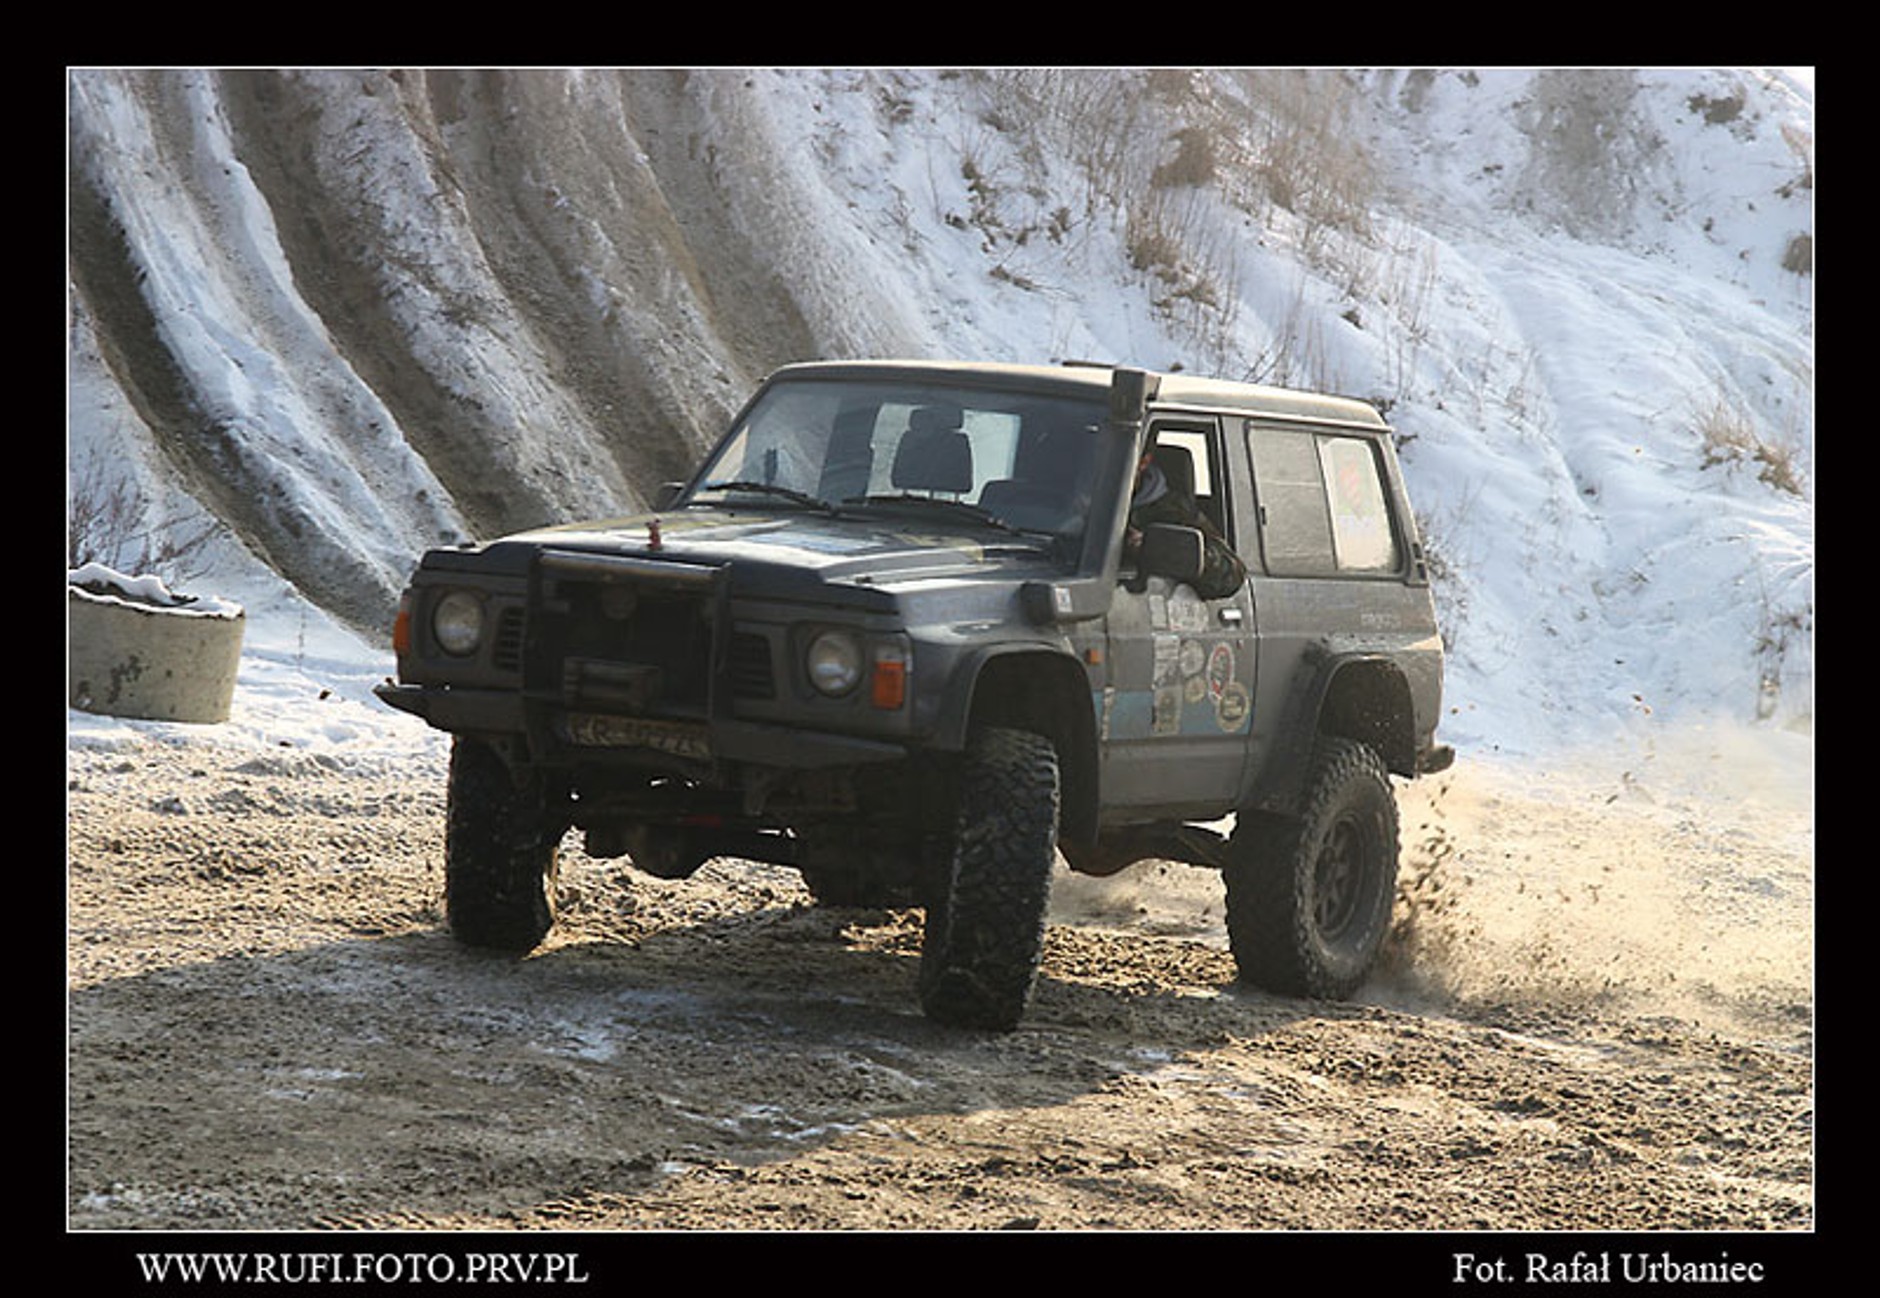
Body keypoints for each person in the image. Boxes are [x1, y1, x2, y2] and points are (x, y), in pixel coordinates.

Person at [1126, 447, 1247, 600]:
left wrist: (1161, 548)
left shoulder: (1174, 511)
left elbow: (1231, 574)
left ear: (1144, 461)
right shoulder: (1089, 506)